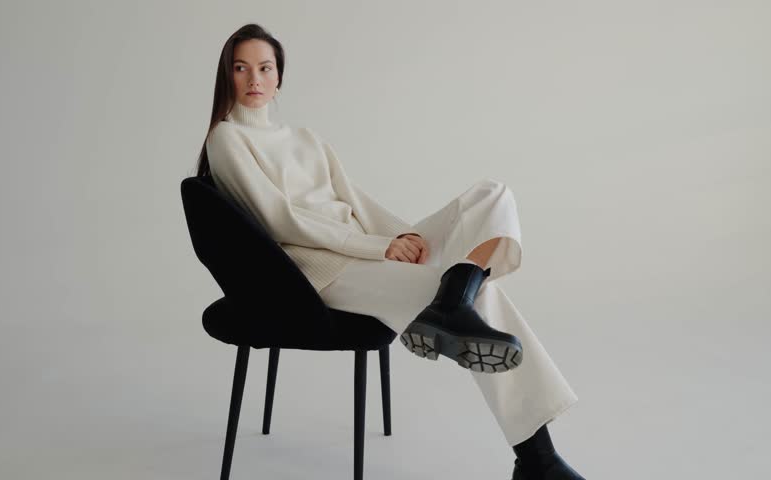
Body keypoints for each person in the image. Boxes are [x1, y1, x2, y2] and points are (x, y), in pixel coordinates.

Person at [195, 23, 586, 480]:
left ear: (279, 76)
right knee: (485, 296)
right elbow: (281, 220)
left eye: (265, 68)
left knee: (492, 194)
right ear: (227, 75)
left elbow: (356, 202)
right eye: (241, 68)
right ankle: (538, 460)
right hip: (325, 271)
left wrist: (407, 238)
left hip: (370, 250)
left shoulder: (306, 139)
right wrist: (382, 247)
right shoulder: (226, 139)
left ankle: (452, 299)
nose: (254, 79)